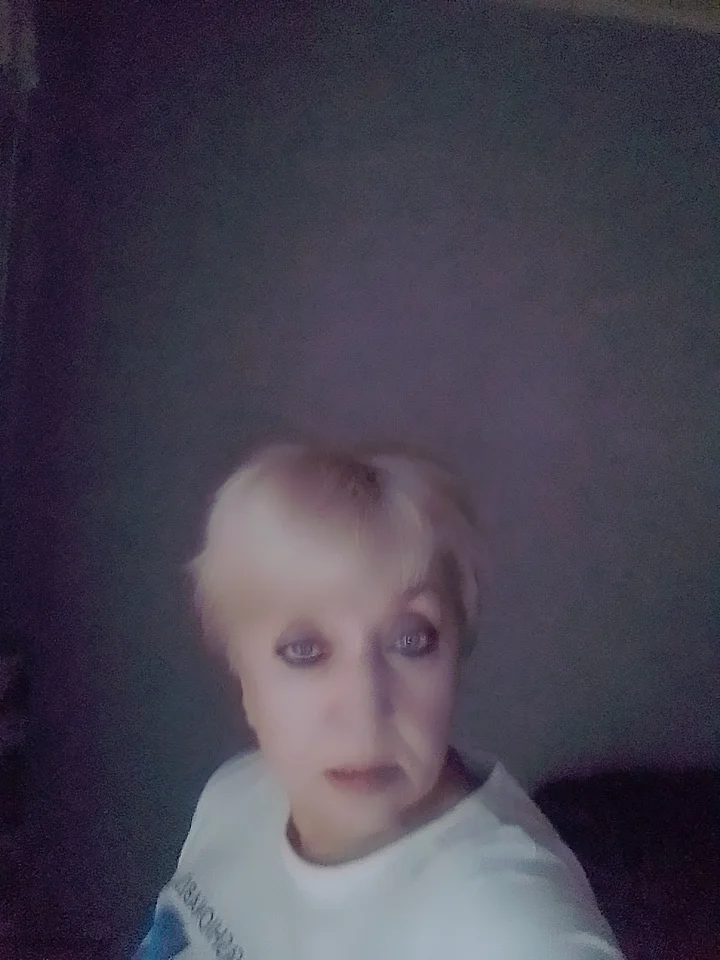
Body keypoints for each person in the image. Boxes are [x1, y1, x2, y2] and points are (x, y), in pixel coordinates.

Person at [134, 442, 623, 960]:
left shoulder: (516, 931)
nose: (366, 713)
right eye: (305, 650)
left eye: (410, 640)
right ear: (242, 674)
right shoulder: (236, 795)